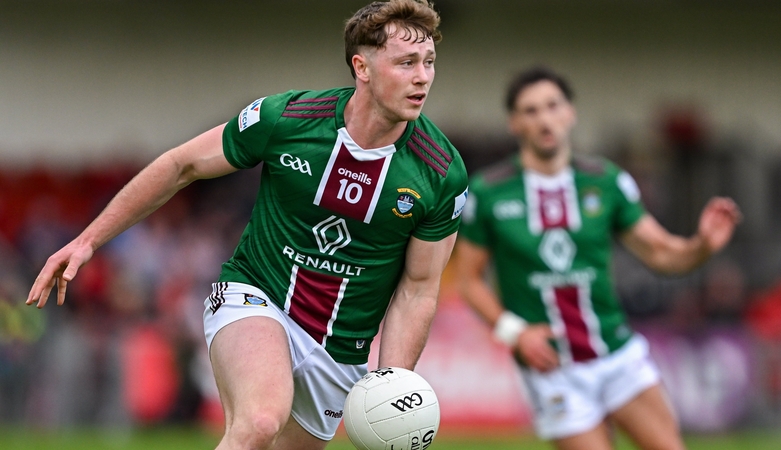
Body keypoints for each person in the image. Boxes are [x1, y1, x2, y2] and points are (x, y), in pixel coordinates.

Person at [26, 1, 468, 449]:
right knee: (258, 422)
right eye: (406, 62)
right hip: (257, 296)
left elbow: (417, 289)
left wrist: (392, 385)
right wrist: (88, 240)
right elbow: (182, 165)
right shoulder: (288, 119)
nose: (423, 77)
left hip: (340, 349)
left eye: (429, 63)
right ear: (363, 67)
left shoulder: (441, 171)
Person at [453, 66, 740, 450]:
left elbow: (661, 253)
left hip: (616, 355)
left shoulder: (606, 181)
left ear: (570, 113)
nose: (544, 119)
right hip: (552, 369)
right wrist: (515, 333)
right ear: (514, 123)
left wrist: (701, 245)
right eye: (530, 110)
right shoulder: (488, 193)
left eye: (552, 106)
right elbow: (469, 280)